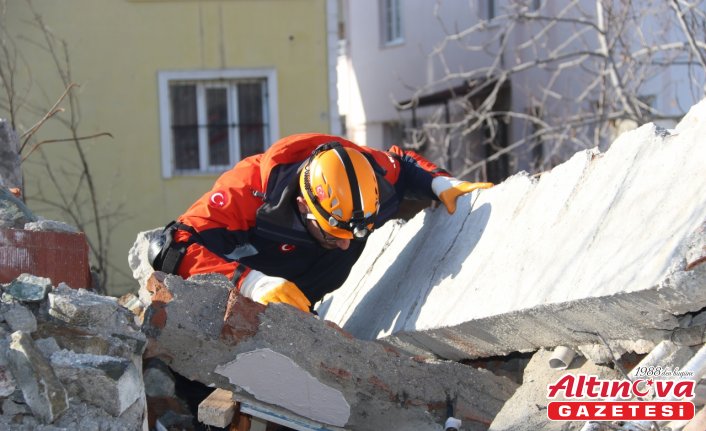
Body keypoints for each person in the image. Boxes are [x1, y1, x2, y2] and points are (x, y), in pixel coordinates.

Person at [149, 133, 492, 312]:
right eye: (333, 234)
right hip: (240, 297)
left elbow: (404, 163)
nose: (345, 244)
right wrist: (249, 282)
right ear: (303, 205)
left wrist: (440, 183)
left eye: (353, 234)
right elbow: (173, 245)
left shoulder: (370, 176)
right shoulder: (245, 192)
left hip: (303, 302)